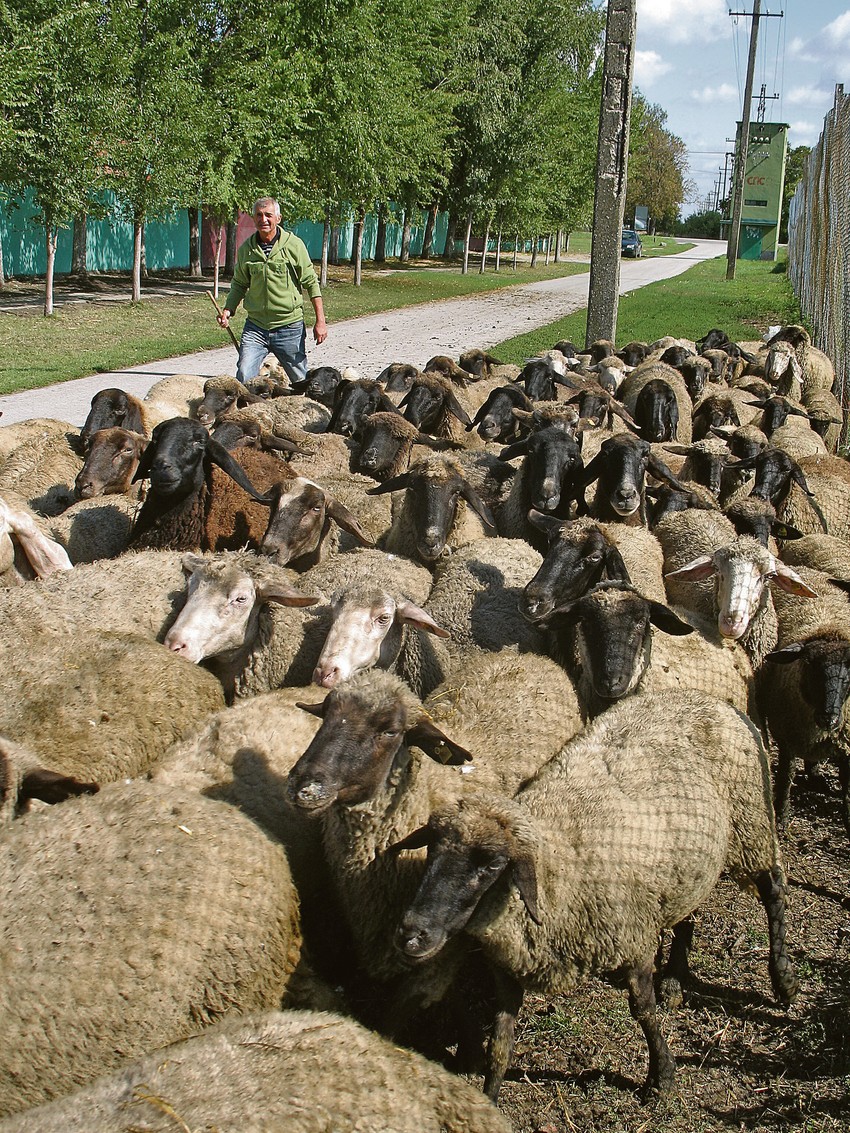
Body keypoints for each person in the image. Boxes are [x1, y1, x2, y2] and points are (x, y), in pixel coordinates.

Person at [217, 197, 328, 385]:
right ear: (253, 219)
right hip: (256, 326)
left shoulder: (294, 245)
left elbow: (311, 282)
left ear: (278, 218)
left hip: (289, 326)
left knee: (300, 380)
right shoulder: (247, 250)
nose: (264, 219)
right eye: (259, 215)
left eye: (268, 215)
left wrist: (321, 321)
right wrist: (228, 310)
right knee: (244, 375)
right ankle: (248, 412)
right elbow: (239, 284)